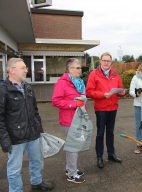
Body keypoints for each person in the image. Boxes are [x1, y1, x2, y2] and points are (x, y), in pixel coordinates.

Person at [0, 58, 54, 192]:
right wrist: (4, 139)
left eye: (25, 67)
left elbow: (35, 110)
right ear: (11, 70)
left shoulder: (27, 86)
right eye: (23, 68)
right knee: (14, 169)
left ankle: (37, 183)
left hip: (33, 134)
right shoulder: (3, 90)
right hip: (15, 137)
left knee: (37, 162)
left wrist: (39, 128)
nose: (26, 70)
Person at [86, 52, 125, 169]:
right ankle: (99, 157)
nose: (106, 63)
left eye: (108, 61)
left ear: (111, 62)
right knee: (100, 133)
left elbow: (120, 89)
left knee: (110, 132)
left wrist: (122, 92)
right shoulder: (94, 74)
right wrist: (103, 94)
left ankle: (111, 154)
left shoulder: (116, 75)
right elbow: (89, 92)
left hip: (113, 107)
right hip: (101, 109)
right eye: (104, 60)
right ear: (100, 61)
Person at [52, 58, 86, 184]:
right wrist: (73, 104)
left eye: (80, 67)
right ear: (70, 69)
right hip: (69, 120)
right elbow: (55, 101)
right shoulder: (62, 83)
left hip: (79, 119)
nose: (79, 69)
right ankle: (72, 174)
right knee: (73, 147)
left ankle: (70, 169)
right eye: (77, 67)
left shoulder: (79, 82)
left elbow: (82, 100)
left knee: (74, 146)